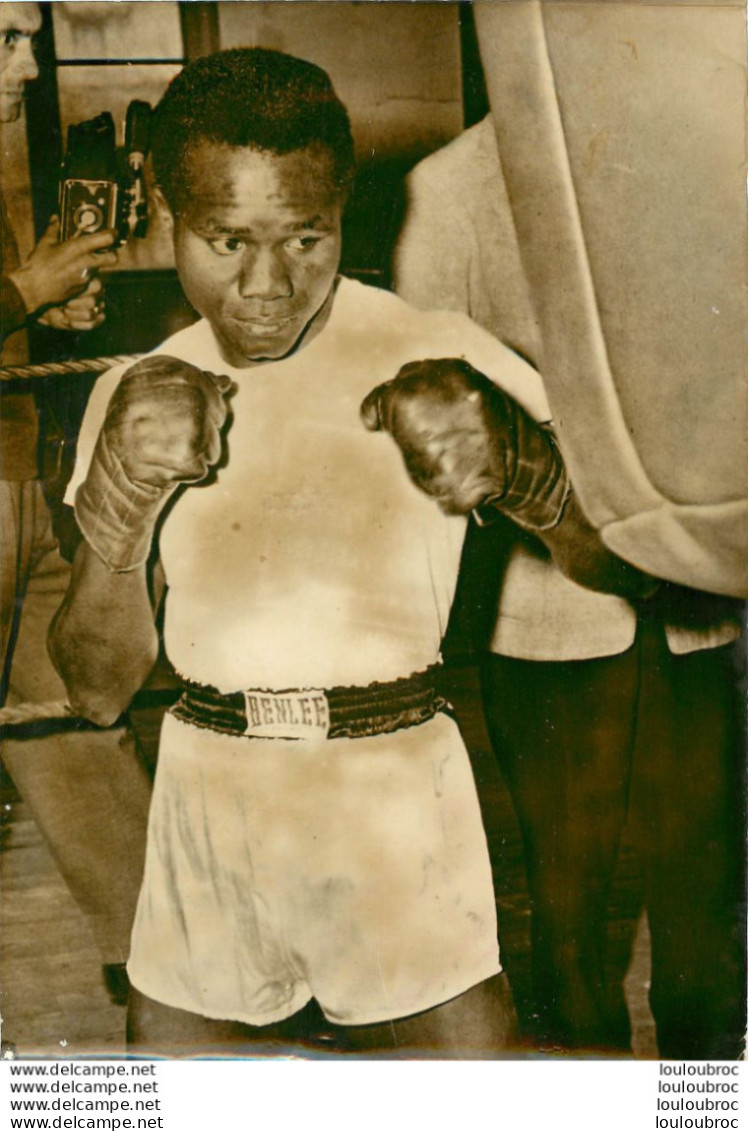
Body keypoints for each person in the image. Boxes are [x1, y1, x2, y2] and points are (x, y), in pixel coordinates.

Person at [49, 48, 654, 1059]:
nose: (267, 283)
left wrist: (534, 479)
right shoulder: (142, 387)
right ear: (165, 212)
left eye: (305, 238)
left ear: (343, 210)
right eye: (226, 240)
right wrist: (122, 509)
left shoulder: (442, 351)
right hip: (210, 794)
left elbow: (621, 568)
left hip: (394, 792)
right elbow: (95, 689)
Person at [392, 114, 746, 1058]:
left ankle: (704, 1114)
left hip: (694, 618)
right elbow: (425, 410)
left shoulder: (680, 150)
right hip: (546, 626)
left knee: (706, 920)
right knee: (568, 921)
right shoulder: (453, 187)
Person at [0, 2, 151, 1017]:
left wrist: (48, 306)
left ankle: (161, 962)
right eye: (4, 37)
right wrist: (21, 289)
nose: (25, 63)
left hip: (14, 490)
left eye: (26, 38)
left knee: (72, 719)